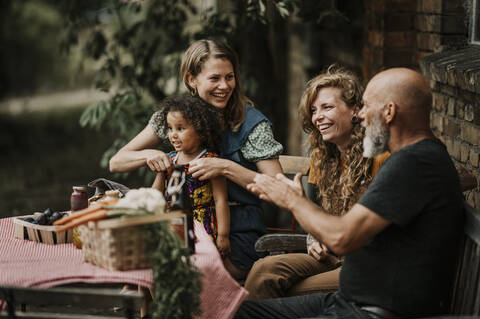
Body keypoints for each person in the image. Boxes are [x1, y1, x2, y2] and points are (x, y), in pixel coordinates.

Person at [236, 68, 464, 319]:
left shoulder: (415, 163)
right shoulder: (411, 159)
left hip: (370, 311)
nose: (362, 115)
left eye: (366, 106)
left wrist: (292, 200)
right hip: (349, 300)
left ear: (389, 112)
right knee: (235, 311)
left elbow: (342, 238)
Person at [109, 39, 283, 280]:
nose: (224, 86)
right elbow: (117, 162)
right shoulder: (176, 117)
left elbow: (282, 190)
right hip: (183, 226)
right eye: (214, 78)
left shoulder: (251, 123)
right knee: (140, 261)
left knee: (184, 272)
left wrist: (225, 167)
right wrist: (149, 153)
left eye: (229, 77)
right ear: (192, 79)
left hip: (235, 232)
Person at [244, 66, 389, 300]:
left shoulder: (379, 155)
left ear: (355, 110)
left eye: (327, 107)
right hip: (331, 257)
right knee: (263, 271)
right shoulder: (322, 158)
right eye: (313, 110)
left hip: (367, 264)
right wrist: (313, 238)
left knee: (289, 291)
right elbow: (319, 215)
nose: (317, 116)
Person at [150, 94, 230, 257]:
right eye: (170, 128)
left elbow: (220, 199)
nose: (173, 134)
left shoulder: (210, 161)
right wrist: (160, 173)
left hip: (202, 226)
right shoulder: (169, 159)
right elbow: (155, 196)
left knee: (199, 261)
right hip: (172, 223)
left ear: (200, 129)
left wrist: (223, 235)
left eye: (180, 128)